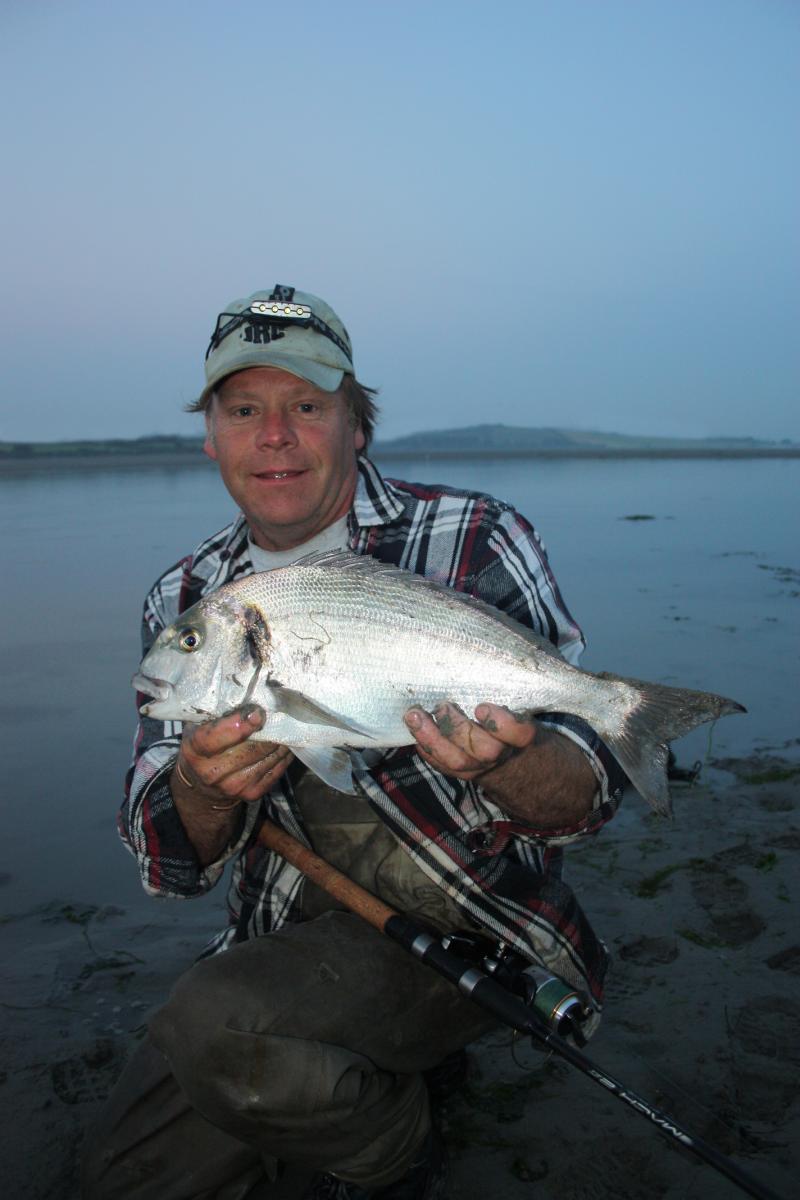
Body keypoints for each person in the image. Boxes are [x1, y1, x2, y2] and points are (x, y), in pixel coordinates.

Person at [82, 285, 624, 1200]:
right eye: (244, 409)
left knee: (217, 1030)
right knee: (121, 1180)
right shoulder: (188, 603)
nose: (276, 435)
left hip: (476, 931)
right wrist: (206, 789)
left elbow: (583, 804)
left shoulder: (476, 536)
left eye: (307, 406)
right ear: (210, 437)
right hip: (283, 940)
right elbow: (169, 863)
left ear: (355, 424)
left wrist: (518, 758)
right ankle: (341, 1084)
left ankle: (392, 1142)